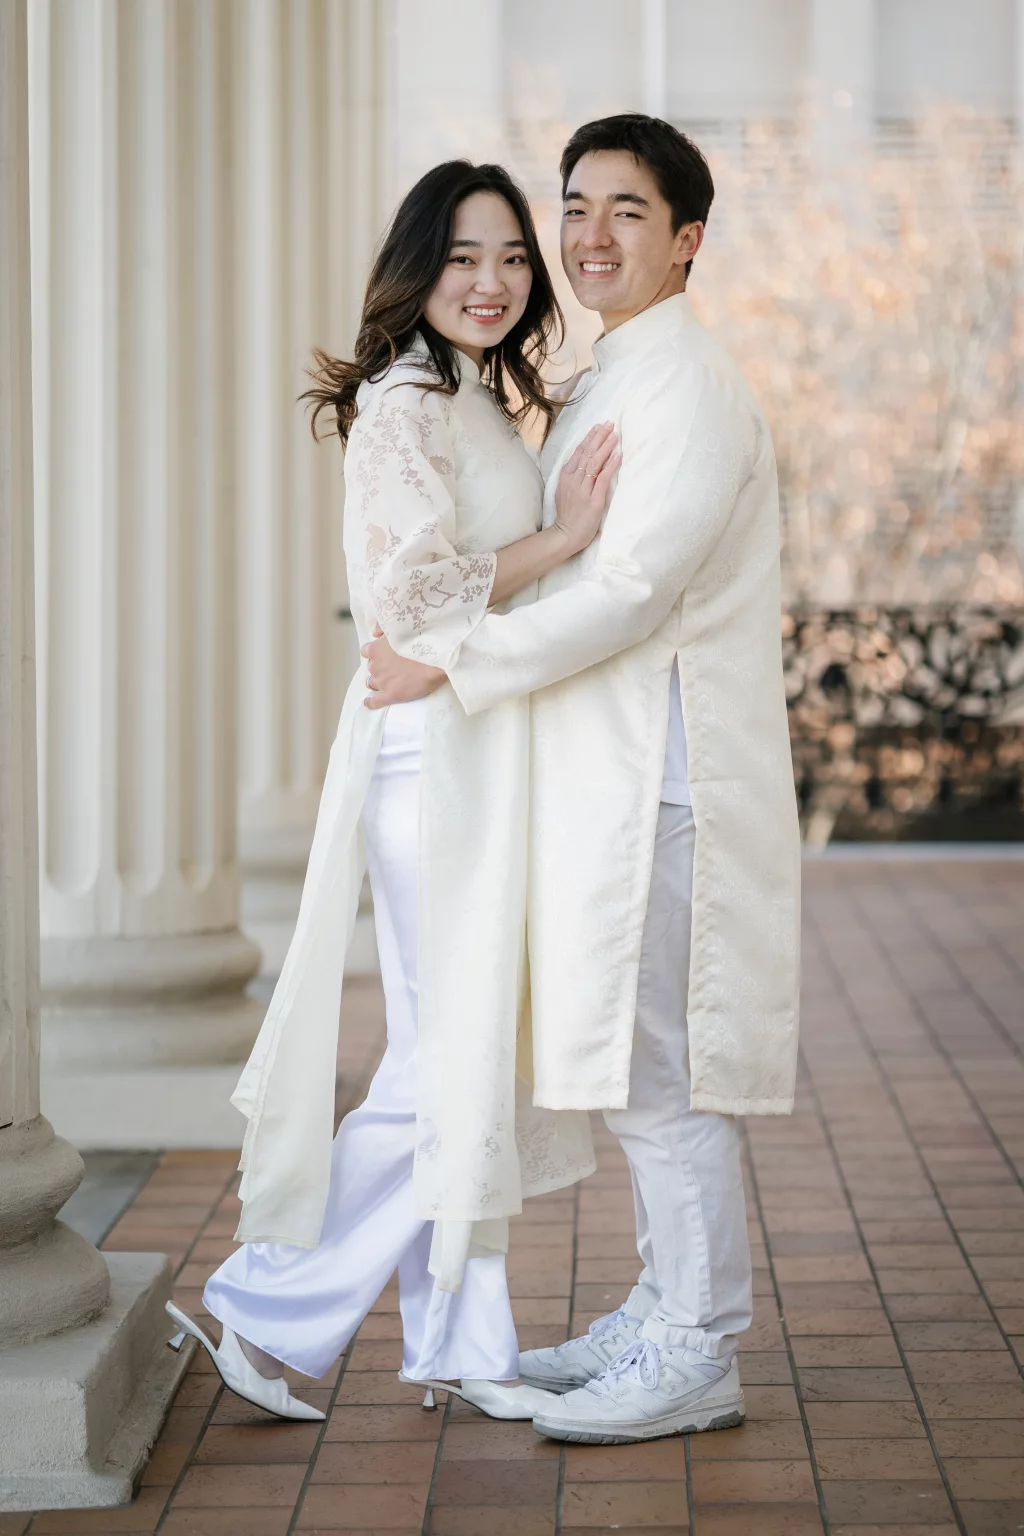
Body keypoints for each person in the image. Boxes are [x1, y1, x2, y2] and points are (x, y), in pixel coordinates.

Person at [363, 114, 802, 1444]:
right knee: (638, 1076)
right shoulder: (614, 373)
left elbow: (625, 593)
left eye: (628, 211)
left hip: (670, 785)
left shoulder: (690, 387)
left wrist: (456, 657)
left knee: (668, 1083)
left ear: (688, 241)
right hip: (614, 787)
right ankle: (663, 1305)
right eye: (579, 207)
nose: (592, 236)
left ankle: (698, 1345)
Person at [165, 161, 620, 1423]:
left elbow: (449, 602)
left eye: (512, 259)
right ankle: (264, 1306)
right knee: (443, 1064)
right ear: (418, 268)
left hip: (471, 745)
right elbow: (411, 602)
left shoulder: (469, 394)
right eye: (464, 258)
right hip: (435, 764)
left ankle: (464, 1342)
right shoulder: (403, 404)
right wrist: (566, 540)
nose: (491, 283)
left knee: (453, 1054)